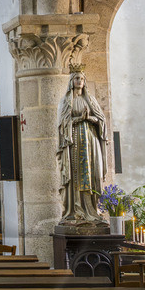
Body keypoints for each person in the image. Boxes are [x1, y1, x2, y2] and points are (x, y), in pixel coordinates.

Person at [56, 67, 109, 226]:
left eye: (81, 78)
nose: (79, 81)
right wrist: (78, 119)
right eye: (76, 78)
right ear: (71, 82)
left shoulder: (90, 99)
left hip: (91, 141)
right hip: (75, 143)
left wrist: (92, 119)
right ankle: (75, 211)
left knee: (93, 173)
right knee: (76, 174)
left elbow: (102, 121)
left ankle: (92, 210)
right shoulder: (66, 101)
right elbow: (62, 124)